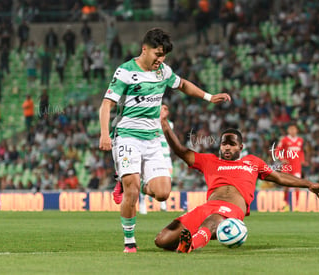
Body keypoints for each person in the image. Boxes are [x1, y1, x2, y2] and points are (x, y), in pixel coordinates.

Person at [98, 28, 231, 253]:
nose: (160, 59)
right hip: (127, 136)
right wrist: (103, 134)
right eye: (157, 54)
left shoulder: (163, 72)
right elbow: (106, 104)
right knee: (131, 192)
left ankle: (126, 180)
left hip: (152, 139)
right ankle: (129, 241)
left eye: (164, 56)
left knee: (162, 192)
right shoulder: (126, 72)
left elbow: (183, 84)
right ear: (144, 49)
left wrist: (208, 97)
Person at [154, 105, 319, 253]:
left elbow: (279, 177)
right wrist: (164, 124)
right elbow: (180, 151)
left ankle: (191, 244)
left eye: (232, 144)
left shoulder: (252, 162)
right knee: (162, 240)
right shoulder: (209, 161)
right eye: (224, 144)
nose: (227, 148)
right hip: (207, 207)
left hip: (231, 210)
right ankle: (199, 236)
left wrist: (308, 184)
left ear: (241, 146)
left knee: (214, 219)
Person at [275, 123, 305, 210]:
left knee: (297, 185)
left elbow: (301, 151)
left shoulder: (300, 140)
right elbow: (277, 151)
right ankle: (286, 204)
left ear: (297, 130)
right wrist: (281, 159)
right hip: (287, 166)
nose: (292, 131)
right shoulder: (284, 140)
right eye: (291, 129)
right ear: (288, 131)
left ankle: (297, 205)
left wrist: (302, 159)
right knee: (286, 185)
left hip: (297, 167)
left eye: (294, 129)